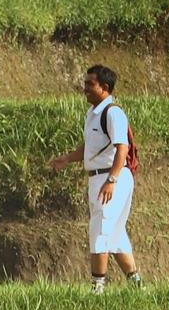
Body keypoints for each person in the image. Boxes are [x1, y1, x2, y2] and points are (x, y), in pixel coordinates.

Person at [48, 63, 142, 291]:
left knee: (100, 228)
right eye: (86, 83)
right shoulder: (92, 114)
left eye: (91, 84)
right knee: (114, 234)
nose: (85, 88)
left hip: (111, 178)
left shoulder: (113, 113)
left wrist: (111, 180)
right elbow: (91, 147)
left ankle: (97, 288)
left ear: (105, 88)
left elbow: (122, 148)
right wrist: (68, 158)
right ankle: (137, 284)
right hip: (98, 178)